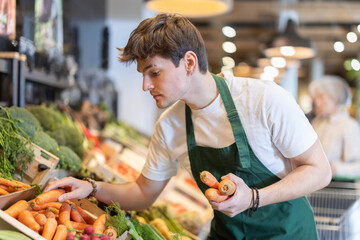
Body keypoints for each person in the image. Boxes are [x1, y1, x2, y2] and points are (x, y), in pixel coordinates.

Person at [46, 13, 332, 239]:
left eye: (154, 73)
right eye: (143, 75)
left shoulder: (263, 99)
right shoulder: (170, 126)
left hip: (289, 234)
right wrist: (91, 187)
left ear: (189, 62)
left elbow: (320, 171)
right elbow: (143, 193)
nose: (146, 86)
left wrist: (254, 197)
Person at [309, 75, 360, 177]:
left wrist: (335, 169)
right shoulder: (317, 122)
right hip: (315, 186)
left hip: (339, 188)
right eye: (316, 97)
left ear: (336, 97)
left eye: (321, 97)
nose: (317, 102)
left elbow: (357, 166)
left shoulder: (349, 126)